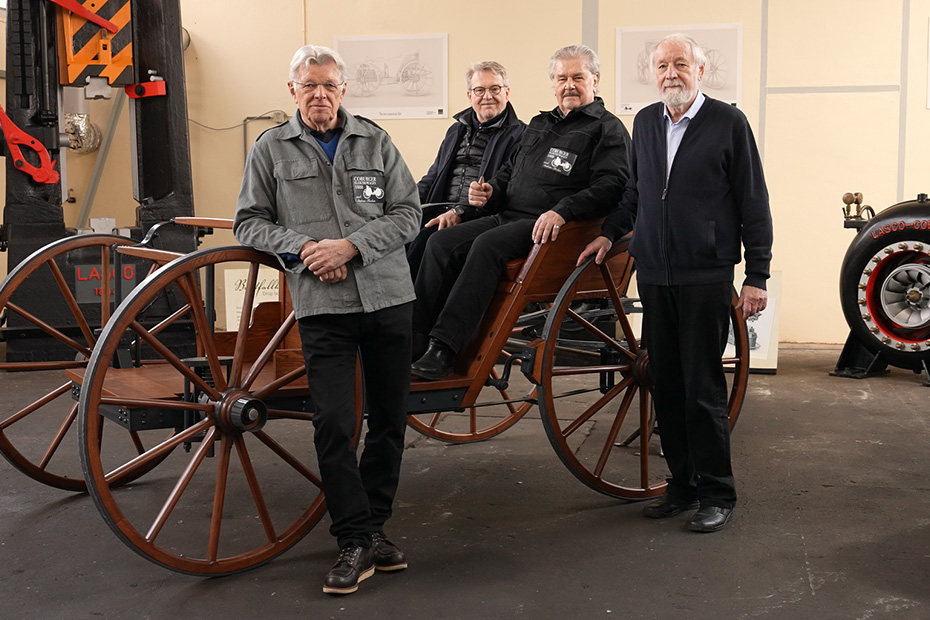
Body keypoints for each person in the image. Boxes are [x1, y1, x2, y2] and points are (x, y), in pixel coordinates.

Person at [234, 44, 420, 594]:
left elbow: (408, 213)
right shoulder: (271, 148)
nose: (320, 94)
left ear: (343, 90)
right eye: (309, 85)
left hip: (388, 299)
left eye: (330, 85)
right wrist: (306, 247)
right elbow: (249, 221)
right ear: (292, 90)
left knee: (389, 423)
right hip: (324, 308)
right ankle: (353, 538)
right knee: (335, 424)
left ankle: (375, 531)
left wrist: (352, 248)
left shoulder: (375, 140)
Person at [578, 33, 773, 533]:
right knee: (664, 381)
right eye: (662, 65)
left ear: (700, 70)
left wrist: (757, 275)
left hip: (706, 274)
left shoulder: (728, 123)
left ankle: (717, 492)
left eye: (680, 64)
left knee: (702, 386)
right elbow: (637, 192)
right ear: (653, 72)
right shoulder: (645, 122)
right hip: (655, 273)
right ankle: (682, 485)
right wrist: (609, 234)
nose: (671, 73)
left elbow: (754, 201)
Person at [411, 44, 631, 380]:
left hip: (554, 228)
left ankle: (444, 348)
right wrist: (490, 193)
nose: (569, 84)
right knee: (439, 244)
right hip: (510, 216)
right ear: (553, 83)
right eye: (562, 78)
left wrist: (562, 211)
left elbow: (612, 186)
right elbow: (509, 172)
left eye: (577, 77)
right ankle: (413, 342)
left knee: (487, 246)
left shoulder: (606, 128)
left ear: (595, 80)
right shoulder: (541, 124)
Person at [407, 61, 525, 276]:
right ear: (470, 96)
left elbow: (505, 188)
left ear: (506, 92)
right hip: (438, 207)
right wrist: (405, 202)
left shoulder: (522, 136)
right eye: (480, 90)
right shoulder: (456, 129)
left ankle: (410, 308)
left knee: (425, 240)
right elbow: (433, 176)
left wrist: (459, 211)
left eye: (495, 89)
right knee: (397, 235)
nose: (487, 96)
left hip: (479, 215)